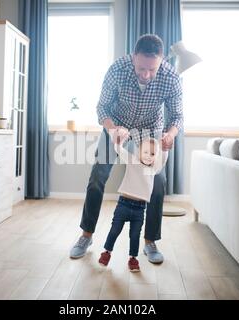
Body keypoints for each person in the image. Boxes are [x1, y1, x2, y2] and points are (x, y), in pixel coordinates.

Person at [70, 34, 183, 264]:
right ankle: (86, 235)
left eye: (152, 69)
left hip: (150, 131)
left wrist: (170, 134)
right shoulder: (118, 70)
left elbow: (178, 115)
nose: (146, 74)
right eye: (141, 68)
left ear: (161, 61)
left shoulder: (171, 77)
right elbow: (102, 107)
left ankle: (150, 241)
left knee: (158, 182)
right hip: (117, 126)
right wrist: (113, 129)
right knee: (98, 176)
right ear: (133, 57)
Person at [98, 135, 168, 272]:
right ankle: (107, 252)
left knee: (135, 235)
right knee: (115, 230)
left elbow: (163, 160)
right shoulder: (132, 161)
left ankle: (133, 258)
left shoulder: (152, 169)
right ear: (139, 152)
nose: (148, 156)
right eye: (146, 152)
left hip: (139, 209)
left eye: (153, 154)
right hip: (123, 205)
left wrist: (165, 149)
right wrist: (121, 141)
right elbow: (118, 149)